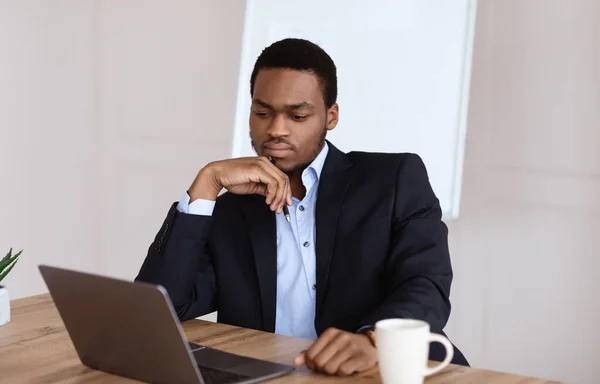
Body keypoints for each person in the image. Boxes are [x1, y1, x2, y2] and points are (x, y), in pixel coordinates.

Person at [136, 38, 468, 376]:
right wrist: (207, 182)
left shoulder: (394, 180)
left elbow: (426, 283)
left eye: (298, 115)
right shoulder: (230, 210)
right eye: (262, 113)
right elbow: (159, 312)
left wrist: (373, 340)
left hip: (385, 373)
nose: (276, 130)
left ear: (331, 116)